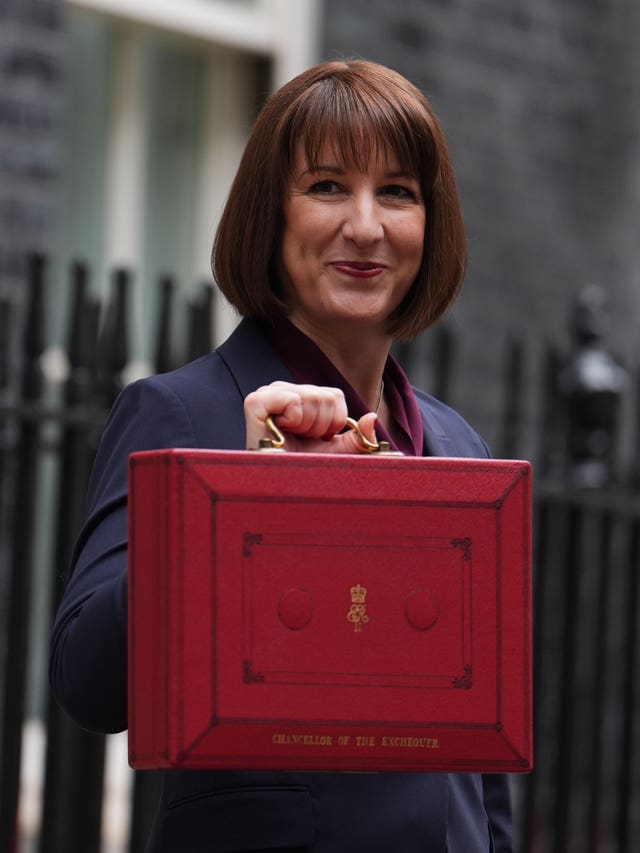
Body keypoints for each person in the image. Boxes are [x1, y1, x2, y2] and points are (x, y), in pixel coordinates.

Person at [50, 59, 514, 852]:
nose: (365, 226)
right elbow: (89, 683)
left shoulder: (458, 446)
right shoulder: (180, 411)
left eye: (397, 192)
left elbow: (482, 762)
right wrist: (244, 491)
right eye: (327, 186)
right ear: (271, 215)